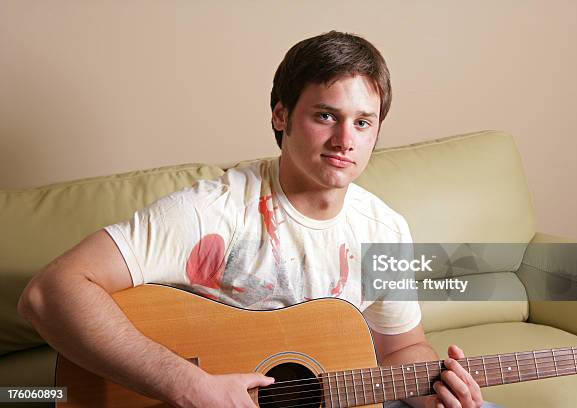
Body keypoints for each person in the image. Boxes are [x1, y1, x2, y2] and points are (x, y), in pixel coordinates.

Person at [18, 31, 487, 408]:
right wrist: (189, 385)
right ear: (281, 115)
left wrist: (436, 393)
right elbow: (48, 292)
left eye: (363, 122)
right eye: (326, 116)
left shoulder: (386, 231)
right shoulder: (212, 212)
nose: (346, 140)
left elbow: (402, 350)